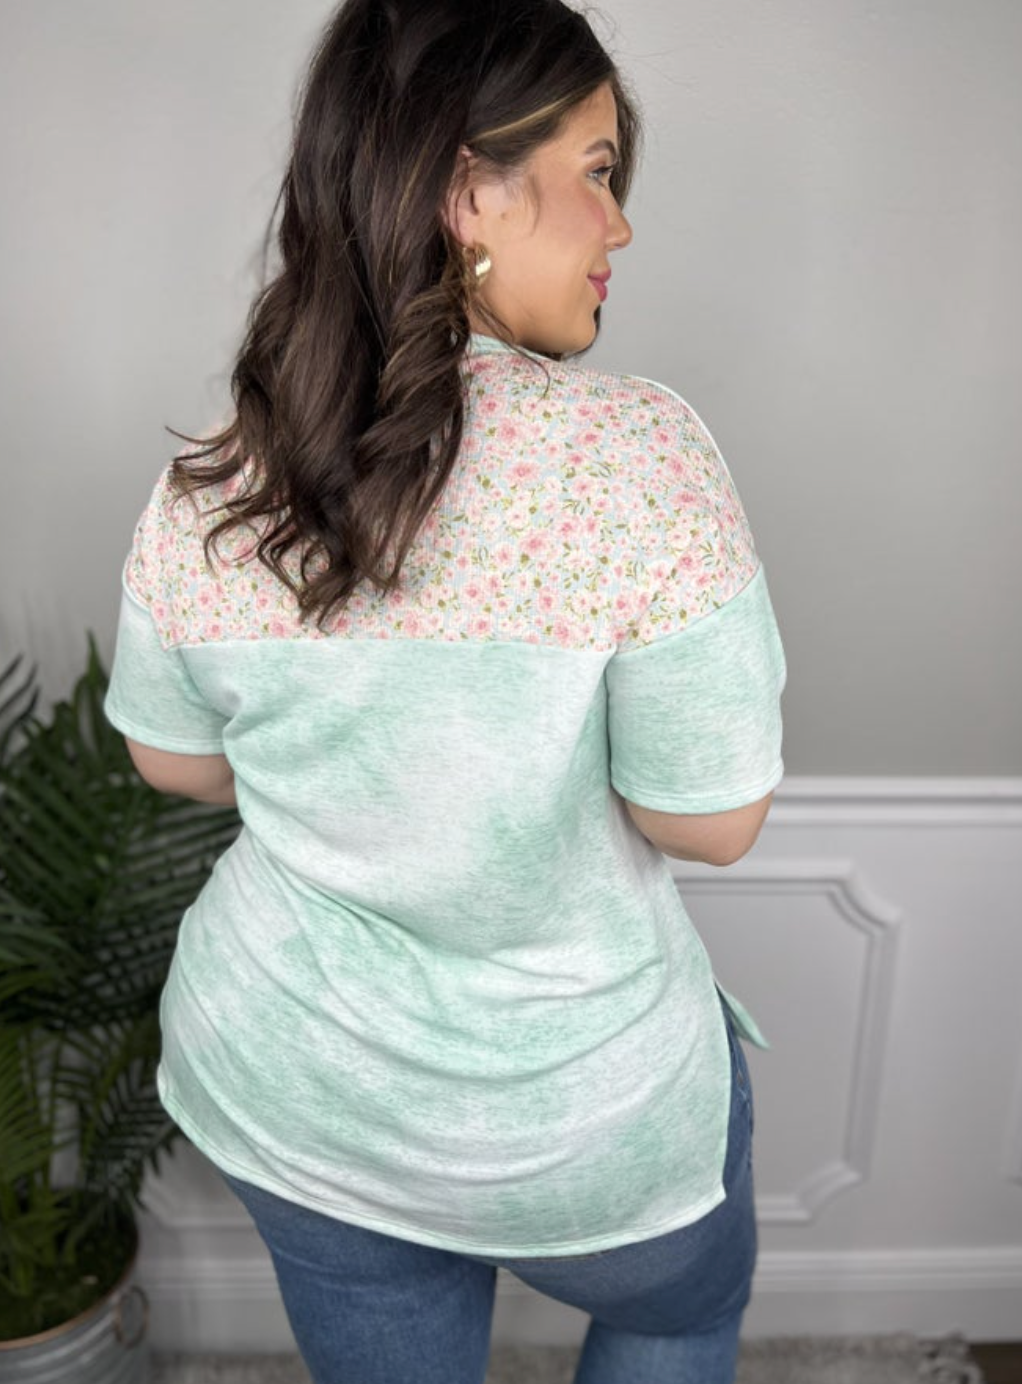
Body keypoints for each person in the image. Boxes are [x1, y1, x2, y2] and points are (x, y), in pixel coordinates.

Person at [105, 0, 786, 1380]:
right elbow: (707, 819)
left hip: (302, 1093)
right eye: (596, 170)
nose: (620, 225)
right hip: (577, 1116)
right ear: (466, 190)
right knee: (678, 1312)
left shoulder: (223, 475)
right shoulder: (638, 456)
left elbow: (171, 761)